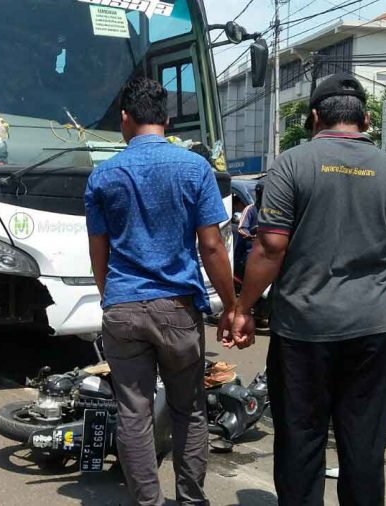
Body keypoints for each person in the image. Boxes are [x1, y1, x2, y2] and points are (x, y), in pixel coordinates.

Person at [229, 73, 386, 506]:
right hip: (370, 332)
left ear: (314, 117)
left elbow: (270, 245)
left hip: (302, 333)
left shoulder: (293, 164)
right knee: (364, 448)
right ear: (367, 119)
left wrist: (243, 308)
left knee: (301, 444)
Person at [85, 77, 237, 506]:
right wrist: (233, 305)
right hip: (177, 310)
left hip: (123, 307)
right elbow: (211, 245)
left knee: (133, 413)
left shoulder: (103, 175)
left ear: (125, 119)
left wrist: (109, 294)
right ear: (167, 120)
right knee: (189, 410)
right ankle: (191, 500)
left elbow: (99, 249)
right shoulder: (194, 168)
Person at [235, 182, 264, 278]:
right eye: (261, 193)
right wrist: (253, 236)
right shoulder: (250, 209)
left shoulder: (272, 211)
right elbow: (242, 229)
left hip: (267, 253)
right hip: (250, 252)